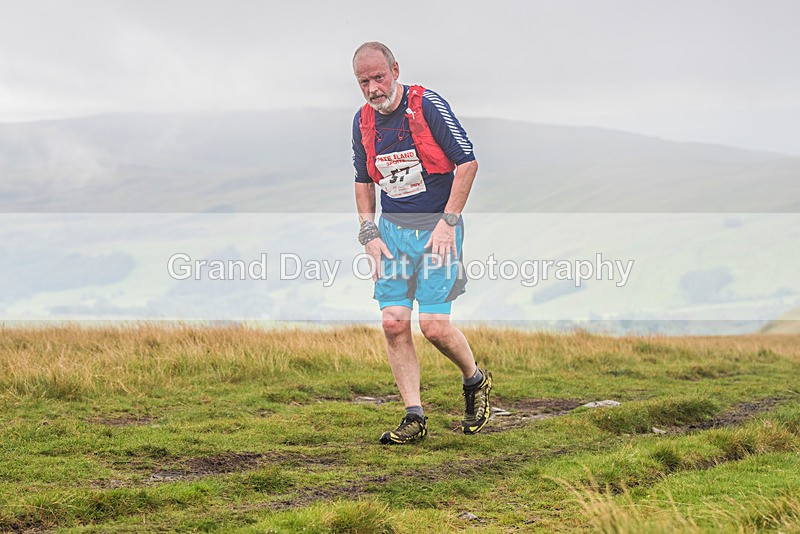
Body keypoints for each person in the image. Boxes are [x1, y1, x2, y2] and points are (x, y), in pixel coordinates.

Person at [351, 41, 492, 444]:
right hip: (392, 233)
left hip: (437, 231)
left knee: (433, 327)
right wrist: (369, 232)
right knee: (393, 323)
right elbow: (363, 180)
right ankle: (414, 416)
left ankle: (474, 379)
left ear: (395, 69)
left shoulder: (427, 105)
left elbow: (468, 163)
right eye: (364, 82)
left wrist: (449, 223)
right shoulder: (363, 121)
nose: (374, 88)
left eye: (379, 77)